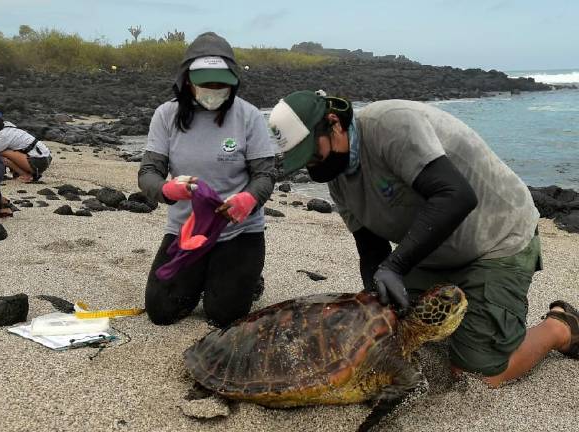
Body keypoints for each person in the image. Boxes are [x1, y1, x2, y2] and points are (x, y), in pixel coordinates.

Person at [267, 90, 578, 387]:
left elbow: (455, 196)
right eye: (301, 160)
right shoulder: (337, 177)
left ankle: (559, 326)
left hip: (496, 241)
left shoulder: (391, 124)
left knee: (478, 375)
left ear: (333, 123)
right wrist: (375, 298)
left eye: (311, 153)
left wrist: (396, 265)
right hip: (433, 251)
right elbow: (371, 248)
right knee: (391, 333)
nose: (311, 166)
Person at [138, 32, 277, 327]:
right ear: (187, 81)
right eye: (206, 83)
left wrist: (249, 199)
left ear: (233, 82)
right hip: (187, 230)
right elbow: (147, 174)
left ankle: (248, 280)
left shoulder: (249, 116)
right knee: (162, 311)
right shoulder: (166, 116)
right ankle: (203, 272)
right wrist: (166, 189)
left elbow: (265, 174)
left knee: (224, 314)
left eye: (221, 83)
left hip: (239, 231)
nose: (214, 89)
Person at [0, 109, 52, 182]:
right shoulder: (7, 125)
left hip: (39, 162)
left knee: (0, 153)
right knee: (1, 149)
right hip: (44, 158)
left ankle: (26, 175)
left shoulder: (3, 136)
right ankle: (22, 173)